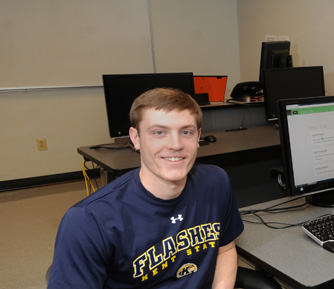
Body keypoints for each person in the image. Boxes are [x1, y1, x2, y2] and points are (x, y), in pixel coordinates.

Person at [49, 88, 244, 288]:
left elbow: (225, 249)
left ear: (198, 137)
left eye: (186, 132)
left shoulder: (215, 182)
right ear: (136, 138)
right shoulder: (88, 220)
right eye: (159, 132)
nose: (176, 144)